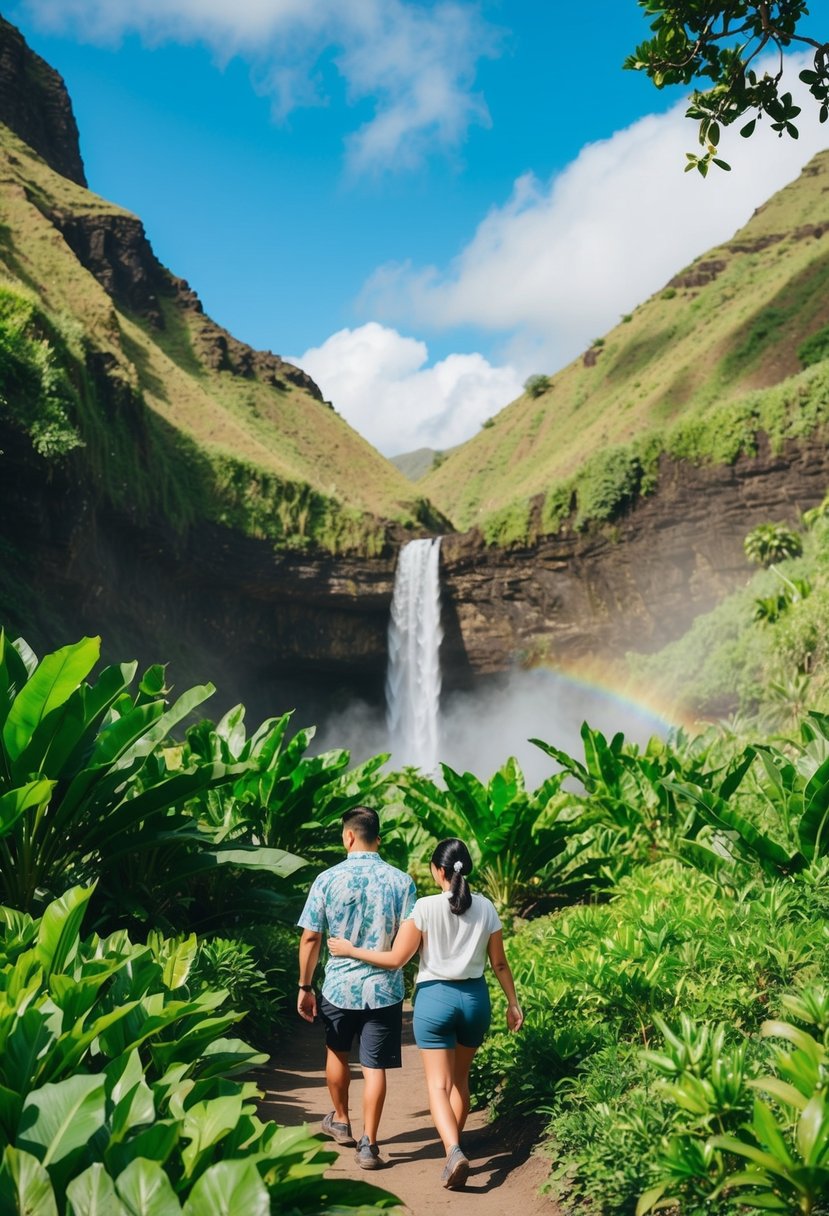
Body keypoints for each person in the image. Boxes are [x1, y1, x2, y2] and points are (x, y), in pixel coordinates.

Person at [328, 837, 523, 1190]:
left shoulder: (425, 908)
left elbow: (396, 959)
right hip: (476, 1000)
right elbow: (499, 963)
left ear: (439, 870)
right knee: (460, 1082)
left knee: (438, 1084)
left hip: (435, 999)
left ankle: (452, 1151)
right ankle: (454, 1147)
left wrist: (351, 950)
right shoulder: (488, 909)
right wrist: (513, 1002)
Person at [297, 806, 416, 1170]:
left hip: (338, 986)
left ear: (348, 836)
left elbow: (311, 938)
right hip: (384, 990)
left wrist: (305, 985)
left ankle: (341, 1119)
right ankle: (370, 1144)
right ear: (375, 836)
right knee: (374, 1065)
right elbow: (410, 941)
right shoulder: (402, 882)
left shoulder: (327, 879)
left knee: (337, 1052)